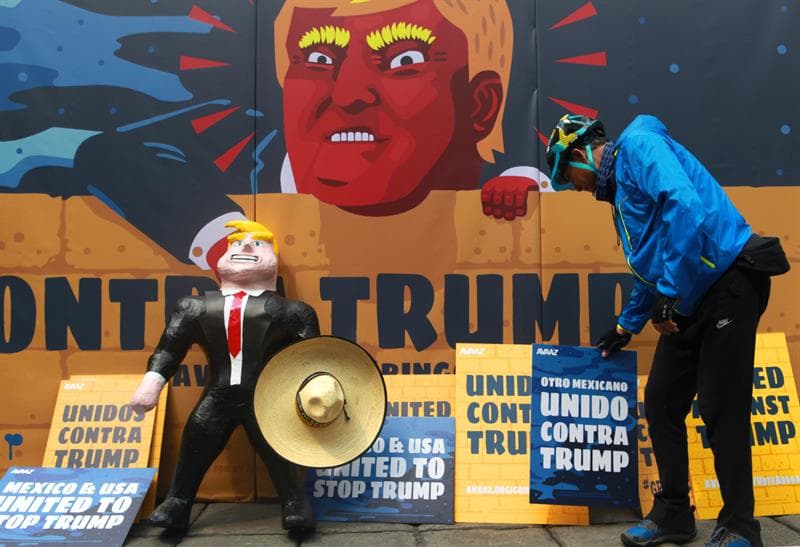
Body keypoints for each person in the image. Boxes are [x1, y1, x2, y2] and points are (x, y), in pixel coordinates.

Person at [545, 114, 789, 547]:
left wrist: (671, 292)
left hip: (729, 282)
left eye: (569, 178)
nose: (576, 189)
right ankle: (675, 513)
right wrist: (626, 325)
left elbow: (686, 207)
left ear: (579, 155)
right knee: (660, 400)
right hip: (691, 296)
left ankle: (740, 527)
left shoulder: (638, 146)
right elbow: (652, 262)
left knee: (719, 407)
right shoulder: (621, 192)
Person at [130, 219, 320, 535]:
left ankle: (294, 502)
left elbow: (312, 356)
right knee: (196, 438)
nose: (245, 247)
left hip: (266, 396)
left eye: (258, 244)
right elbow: (169, 348)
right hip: (217, 395)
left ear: (272, 260)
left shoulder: (294, 312)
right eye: (236, 243)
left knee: (278, 445)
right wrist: (152, 381)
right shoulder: (194, 307)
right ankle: (177, 502)